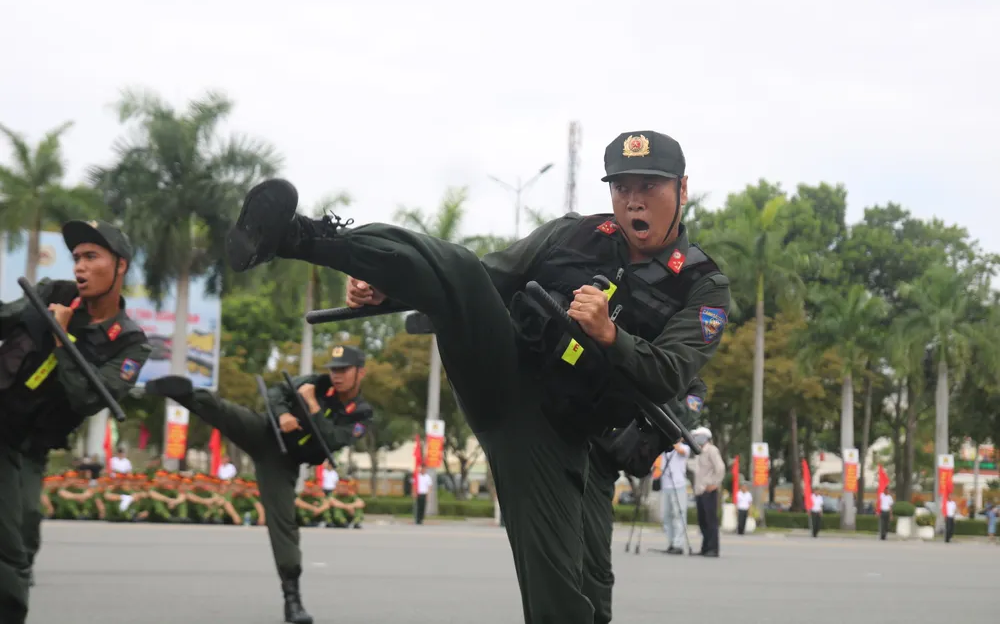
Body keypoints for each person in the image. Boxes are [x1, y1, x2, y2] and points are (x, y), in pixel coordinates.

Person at [222, 129, 731, 623]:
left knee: (575, 597)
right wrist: (387, 290)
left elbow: (669, 374)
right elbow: (479, 282)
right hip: (504, 375)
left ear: (682, 190)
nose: (634, 201)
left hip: (565, 436)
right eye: (622, 187)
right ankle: (298, 236)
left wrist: (607, 334)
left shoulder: (702, 286)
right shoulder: (572, 233)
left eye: (650, 186)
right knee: (461, 267)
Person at [145, 343, 374, 624]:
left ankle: (293, 600)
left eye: (344, 370)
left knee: (284, 524)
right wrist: (284, 414)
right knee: (225, 412)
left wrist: (311, 405)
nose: (336, 375)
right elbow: (277, 392)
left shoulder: (361, 413)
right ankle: (184, 393)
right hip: (266, 431)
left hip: (284, 461)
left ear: (360, 373)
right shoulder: (317, 382)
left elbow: (332, 440)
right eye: (334, 369)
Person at [0, 219, 151, 624]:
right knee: (9, 547)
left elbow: (87, 398)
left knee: (27, 528)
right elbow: (7, 316)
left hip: (30, 444)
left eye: (91, 257)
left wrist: (61, 339)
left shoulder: (131, 342)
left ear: (119, 266)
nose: (79, 267)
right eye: (76, 258)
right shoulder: (52, 292)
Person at [581, 378, 707, 624]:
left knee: (595, 565)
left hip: (607, 463)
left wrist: (658, 400)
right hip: (584, 445)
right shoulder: (627, 349)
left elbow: (686, 415)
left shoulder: (690, 382)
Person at [689, 427, 725, 557]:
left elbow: (720, 468)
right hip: (700, 491)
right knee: (703, 521)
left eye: (697, 436)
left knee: (711, 521)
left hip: (708, 490)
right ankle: (705, 548)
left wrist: (714, 483)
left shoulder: (712, 450)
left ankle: (713, 549)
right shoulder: (699, 452)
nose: (695, 438)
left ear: (704, 437)